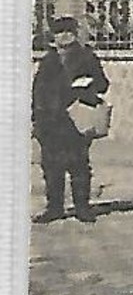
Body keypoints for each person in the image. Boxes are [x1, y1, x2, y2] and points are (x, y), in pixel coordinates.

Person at [31, 16, 109, 224]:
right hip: (49, 120)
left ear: (75, 35)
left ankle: (82, 207)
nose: (63, 37)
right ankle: (54, 207)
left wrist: (85, 85)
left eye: (68, 32)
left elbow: (102, 84)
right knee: (51, 166)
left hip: (75, 118)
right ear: (53, 37)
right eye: (59, 33)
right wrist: (35, 118)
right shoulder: (48, 60)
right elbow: (37, 90)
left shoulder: (86, 57)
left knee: (78, 164)